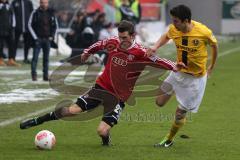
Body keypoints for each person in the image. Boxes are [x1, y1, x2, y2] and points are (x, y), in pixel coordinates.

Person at [20, 20, 185, 146]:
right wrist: (86, 52)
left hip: (118, 97)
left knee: (101, 131)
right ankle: (38, 120)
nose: (121, 41)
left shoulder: (141, 52)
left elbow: (159, 60)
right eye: (120, 37)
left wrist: (174, 66)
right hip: (101, 87)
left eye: (125, 38)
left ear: (133, 36)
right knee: (72, 110)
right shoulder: (113, 42)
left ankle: (106, 139)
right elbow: (99, 44)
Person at [146, 4, 218, 147]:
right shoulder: (174, 29)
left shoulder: (203, 31)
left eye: (176, 21)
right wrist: (155, 47)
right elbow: (166, 36)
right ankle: (176, 90)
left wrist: (211, 67)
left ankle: (169, 139)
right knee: (159, 102)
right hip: (178, 72)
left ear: (186, 21)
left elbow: (214, 45)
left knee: (180, 113)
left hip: (195, 80)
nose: (173, 24)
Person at [28, 0, 58, 81]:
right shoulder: (35, 12)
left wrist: (52, 36)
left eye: (45, 2)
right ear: (39, 3)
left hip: (47, 39)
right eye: (42, 2)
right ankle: (34, 75)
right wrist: (35, 38)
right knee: (35, 58)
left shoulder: (51, 13)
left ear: (48, 3)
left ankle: (46, 76)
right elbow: (29, 25)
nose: (44, 4)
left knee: (46, 59)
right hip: (37, 39)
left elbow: (55, 26)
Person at [0, 0, 20, 67]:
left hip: (9, 28)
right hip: (1, 28)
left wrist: (13, 26)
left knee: (12, 44)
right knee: (0, 45)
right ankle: (0, 60)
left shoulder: (10, 6)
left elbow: (13, 16)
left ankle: (11, 60)